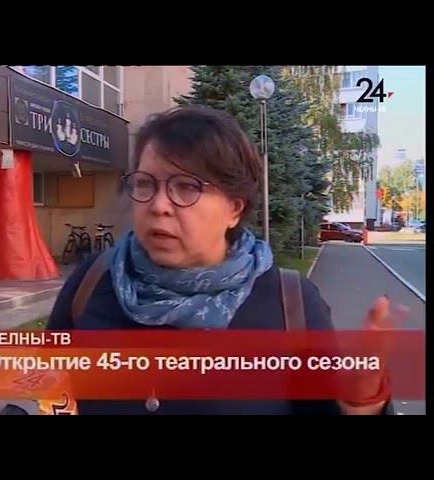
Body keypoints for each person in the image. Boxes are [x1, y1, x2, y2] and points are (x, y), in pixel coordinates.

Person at [46, 105, 398, 415]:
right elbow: (45, 390)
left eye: (186, 187)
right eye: (145, 184)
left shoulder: (290, 304)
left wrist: (361, 402)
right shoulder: (93, 281)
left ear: (234, 208)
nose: (158, 205)